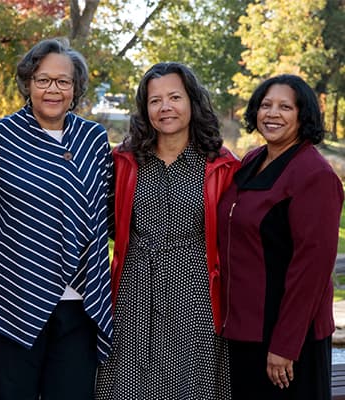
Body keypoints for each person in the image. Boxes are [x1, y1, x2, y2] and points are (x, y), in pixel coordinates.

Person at [0, 38, 114, 400]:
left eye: (63, 81)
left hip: (79, 300)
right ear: (28, 83)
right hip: (10, 296)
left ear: (75, 88)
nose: (53, 89)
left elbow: (107, 207)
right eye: (43, 79)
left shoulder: (94, 138)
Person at [95, 62, 240, 399]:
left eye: (174, 97)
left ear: (192, 101)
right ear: (145, 109)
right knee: (129, 386)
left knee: (193, 386)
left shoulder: (222, 165)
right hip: (134, 291)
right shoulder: (123, 161)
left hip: (197, 296)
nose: (165, 108)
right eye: (155, 100)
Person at [217, 74, 344, 399]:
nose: (272, 113)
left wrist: (285, 345)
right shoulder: (252, 161)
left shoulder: (314, 176)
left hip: (285, 339)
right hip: (243, 330)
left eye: (285, 107)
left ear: (303, 116)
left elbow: (312, 271)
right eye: (265, 105)